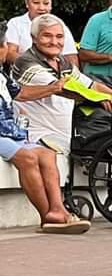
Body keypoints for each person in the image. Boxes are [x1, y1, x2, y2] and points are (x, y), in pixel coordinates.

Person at [11, 15, 112, 154]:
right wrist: (97, 98)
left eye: (59, 36)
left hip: (63, 133)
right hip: (36, 134)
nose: (54, 42)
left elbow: (91, 85)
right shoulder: (26, 61)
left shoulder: (61, 61)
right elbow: (62, 90)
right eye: (47, 36)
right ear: (34, 38)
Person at [0, 65, 89, 234]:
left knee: (47, 154)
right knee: (28, 158)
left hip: (10, 133)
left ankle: (57, 210)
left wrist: (53, 88)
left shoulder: (2, 75)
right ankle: (46, 217)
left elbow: (21, 93)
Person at [5, 0, 79, 67]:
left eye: (46, 3)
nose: (41, 8)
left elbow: (72, 57)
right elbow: (9, 53)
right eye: (36, 3)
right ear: (27, 3)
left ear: (51, 5)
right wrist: (37, 66)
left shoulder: (60, 26)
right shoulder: (15, 23)